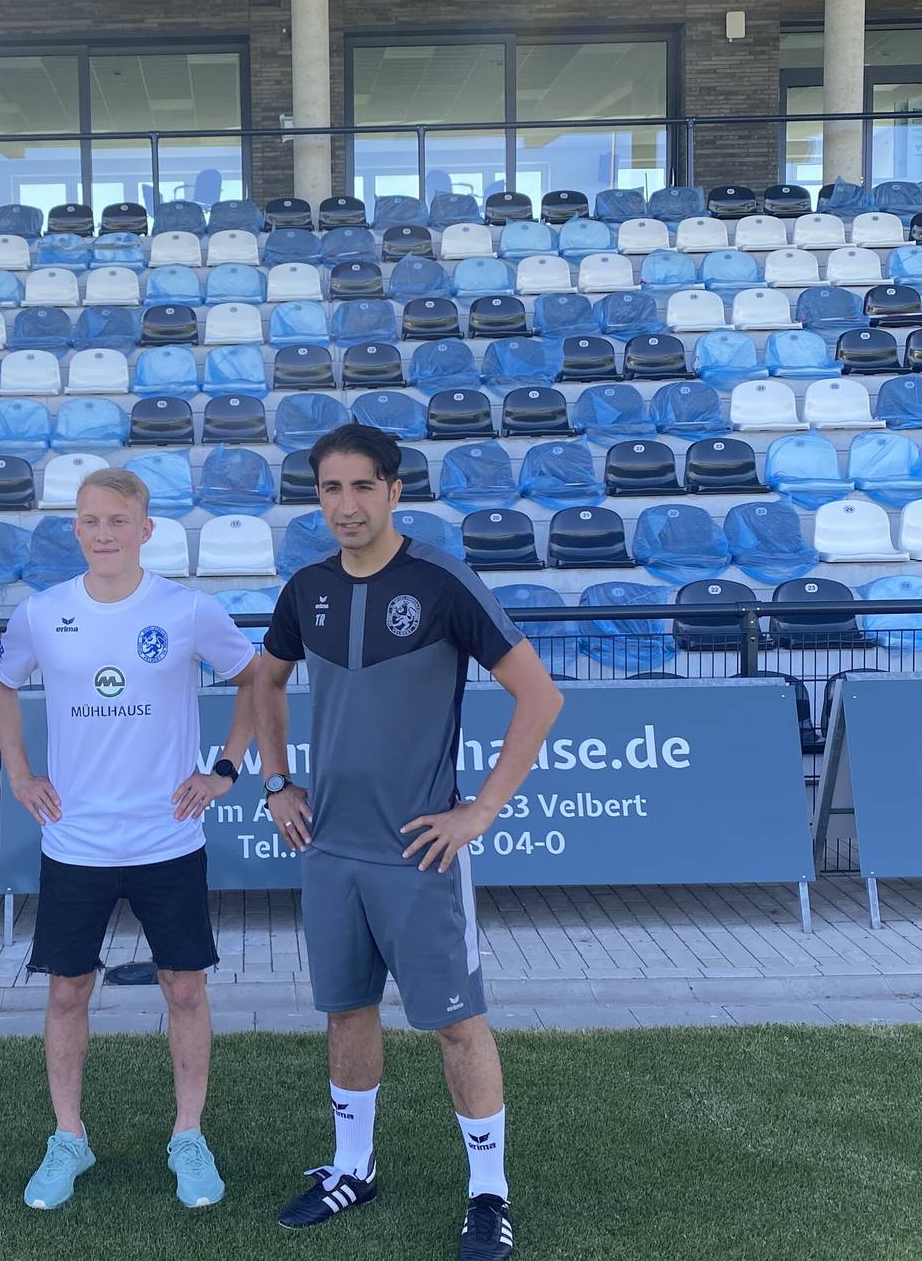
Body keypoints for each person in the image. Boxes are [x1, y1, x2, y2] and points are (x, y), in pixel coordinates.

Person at [252, 424, 563, 1261]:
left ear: (395, 492)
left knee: (458, 1025)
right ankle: (353, 1166)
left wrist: (481, 810)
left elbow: (540, 698)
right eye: (330, 490)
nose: (346, 505)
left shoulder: (440, 582)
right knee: (346, 1011)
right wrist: (277, 781)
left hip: (420, 853)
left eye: (362, 487)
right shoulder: (306, 587)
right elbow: (265, 680)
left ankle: (489, 1194)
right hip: (331, 850)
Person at [0, 468, 262, 1211]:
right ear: (75, 529)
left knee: (184, 987)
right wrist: (19, 771)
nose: (102, 532)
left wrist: (226, 769)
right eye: (88, 520)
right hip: (74, 841)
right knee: (69, 989)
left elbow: (255, 678)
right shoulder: (45, 613)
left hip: (167, 836)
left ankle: (189, 1135)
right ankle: (69, 1136)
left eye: (116, 520)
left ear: (146, 529)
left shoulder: (188, 609)